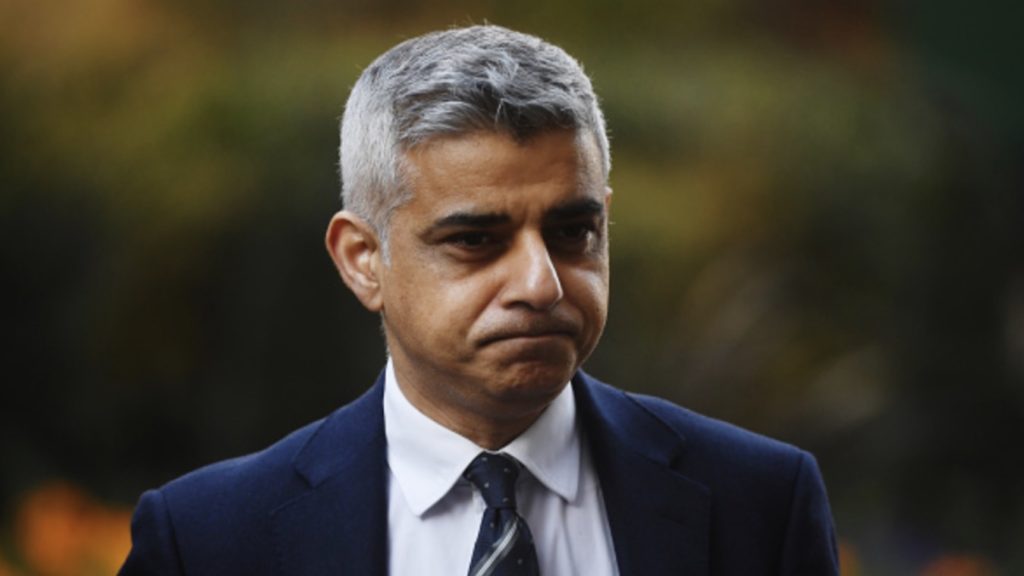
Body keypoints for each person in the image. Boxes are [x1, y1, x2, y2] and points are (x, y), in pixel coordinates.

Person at [120, 25, 839, 575]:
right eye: (475, 240)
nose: (542, 283)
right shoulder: (209, 540)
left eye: (573, 231)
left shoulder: (761, 504)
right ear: (362, 260)